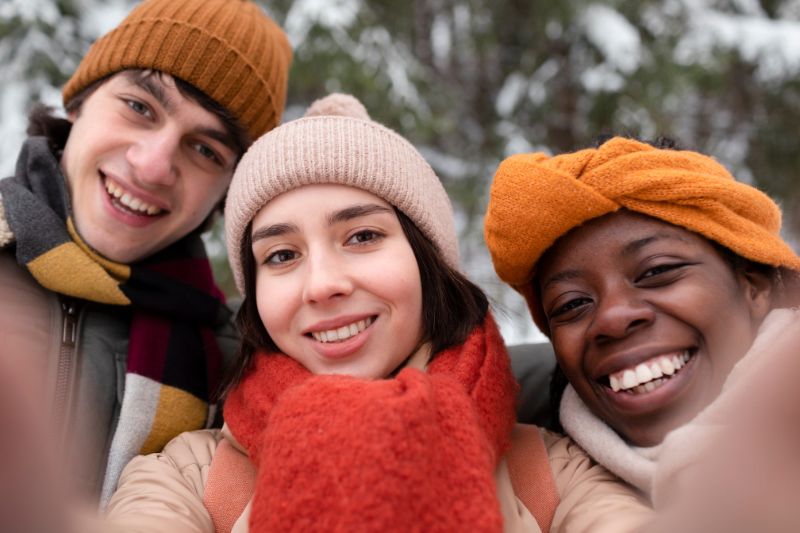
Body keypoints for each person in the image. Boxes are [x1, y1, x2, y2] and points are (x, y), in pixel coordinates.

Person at [103, 94, 652, 532]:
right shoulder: (188, 479)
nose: (322, 285)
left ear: (426, 261)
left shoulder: (554, 474)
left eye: (362, 235)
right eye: (282, 255)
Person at [0, 0, 291, 506]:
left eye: (206, 150)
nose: (153, 166)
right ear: (79, 102)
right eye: (139, 107)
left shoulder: (234, 376)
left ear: (224, 194)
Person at [483, 136, 800, 518]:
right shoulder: (526, 472)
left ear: (755, 284)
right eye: (572, 304)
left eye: (657, 271)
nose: (613, 319)